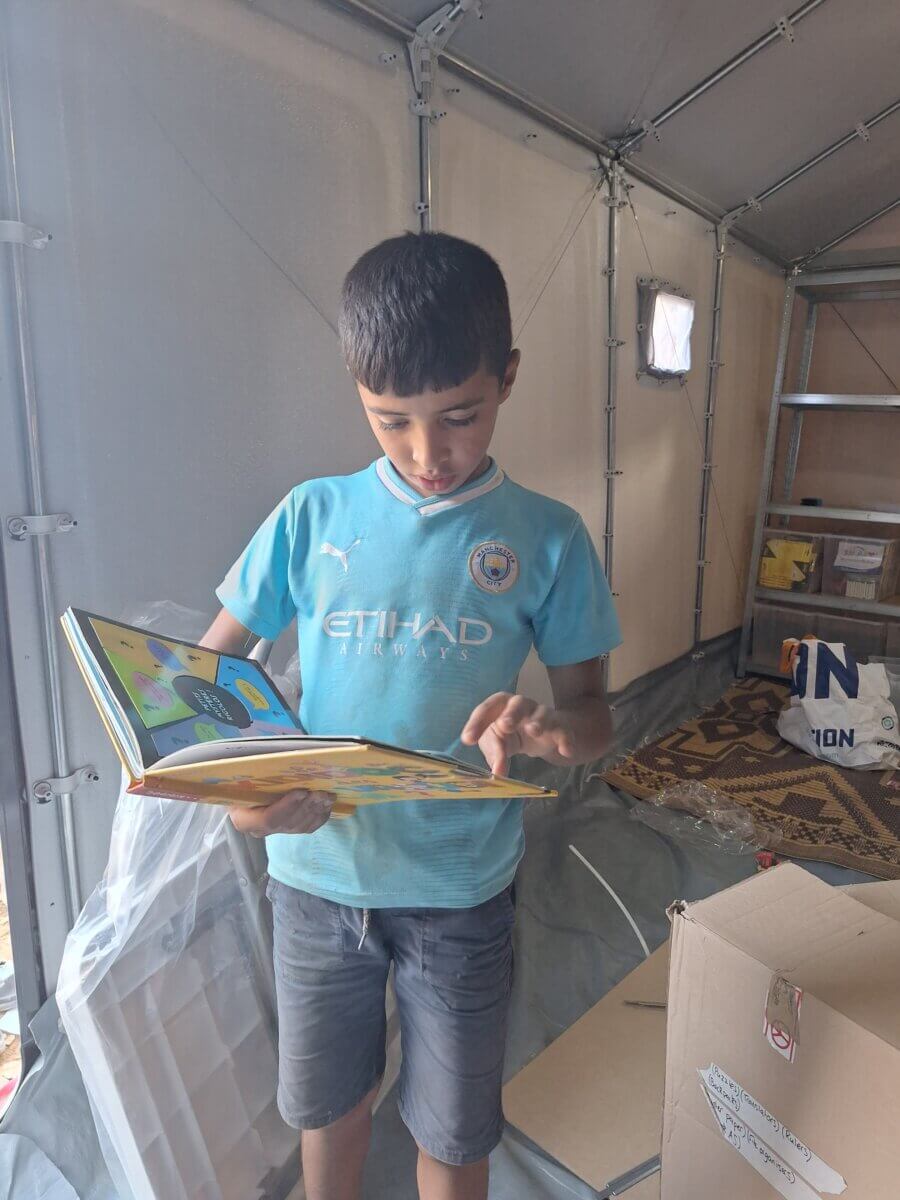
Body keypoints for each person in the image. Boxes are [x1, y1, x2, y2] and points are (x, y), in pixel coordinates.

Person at [200, 231, 621, 1200]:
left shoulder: (548, 541)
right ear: (356, 388)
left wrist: (554, 734)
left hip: (459, 893)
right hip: (314, 881)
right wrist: (243, 804)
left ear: (507, 378)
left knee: (453, 1129)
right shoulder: (311, 518)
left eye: (460, 416)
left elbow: (592, 714)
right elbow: (202, 683)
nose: (428, 453)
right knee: (328, 1114)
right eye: (391, 422)